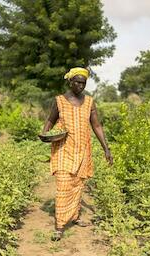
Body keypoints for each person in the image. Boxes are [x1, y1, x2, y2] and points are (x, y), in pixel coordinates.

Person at [41, 67, 113, 241]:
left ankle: (74, 216)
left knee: (77, 184)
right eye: (77, 82)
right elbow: (50, 120)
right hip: (63, 149)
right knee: (64, 184)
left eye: (83, 83)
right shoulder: (59, 100)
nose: (80, 86)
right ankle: (59, 226)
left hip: (83, 150)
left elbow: (96, 126)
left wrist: (106, 148)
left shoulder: (89, 102)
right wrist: (45, 133)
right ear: (70, 81)